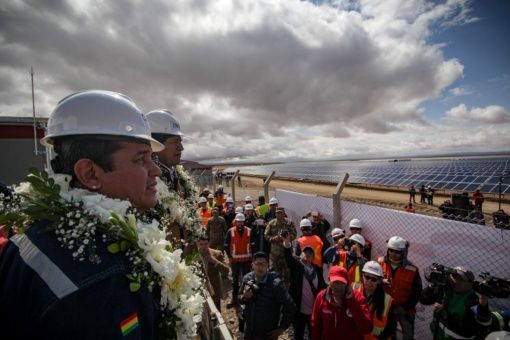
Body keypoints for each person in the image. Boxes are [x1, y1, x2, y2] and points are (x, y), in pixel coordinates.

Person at [0, 90, 169, 338]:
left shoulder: (36, 234)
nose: (156, 171)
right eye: (141, 159)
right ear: (89, 173)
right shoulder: (101, 285)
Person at [420, 266, 490, 340]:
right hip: (437, 336)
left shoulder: (472, 300)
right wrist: (432, 285)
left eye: (461, 279)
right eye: (454, 277)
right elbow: (424, 300)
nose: (456, 281)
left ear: (470, 284)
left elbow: (468, 330)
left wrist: (445, 313)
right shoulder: (446, 288)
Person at [238, 252, 296, 340]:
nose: (260, 267)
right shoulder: (247, 279)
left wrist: (281, 328)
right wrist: (244, 297)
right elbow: (239, 299)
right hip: (250, 330)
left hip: (267, 334)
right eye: (257, 264)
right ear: (252, 265)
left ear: (268, 265)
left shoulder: (275, 284)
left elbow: (290, 307)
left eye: (263, 264)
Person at [311, 265, 373, 339]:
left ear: (347, 283)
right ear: (329, 280)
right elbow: (315, 325)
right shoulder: (321, 296)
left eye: (341, 283)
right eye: (335, 282)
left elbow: (367, 328)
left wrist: (351, 301)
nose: (338, 287)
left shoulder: (358, 298)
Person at [378, 236, 422, 340]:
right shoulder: (380, 262)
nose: (393, 254)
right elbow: (373, 280)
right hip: (387, 307)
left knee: (408, 334)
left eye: (397, 252)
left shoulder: (412, 269)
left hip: (405, 310)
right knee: (390, 333)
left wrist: (405, 307)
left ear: (403, 252)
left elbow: (417, 292)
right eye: (391, 250)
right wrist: (381, 281)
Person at [283, 236, 326, 340]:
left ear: (313, 257)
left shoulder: (318, 270)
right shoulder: (297, 266)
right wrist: (287, 243)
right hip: (299, 310)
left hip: (314, 310)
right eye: (305, 252)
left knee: (314, 335)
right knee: (298, 335)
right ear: (300, 255)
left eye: (310, 253)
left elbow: (322, 287)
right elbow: (288, 257)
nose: (307, 254)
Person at [357, 261, 397, 340]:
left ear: (379, 281)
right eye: (367, 277)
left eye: (374, 279)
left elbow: (391, 326)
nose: (369, 281)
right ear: (362, 276)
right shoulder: (353, 288)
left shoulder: (388, 300)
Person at [224, 213, 252, 308]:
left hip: (247, 260)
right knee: (235, 281)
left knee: (247, 280)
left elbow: (253, 245)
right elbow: (226, 246)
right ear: (235, 222)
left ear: (244, 222)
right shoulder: (230, 231)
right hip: (235, 261)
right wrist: (230, 257)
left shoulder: (249, 231)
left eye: (241, 221)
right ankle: (234, 299)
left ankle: (247, 299)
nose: (240, 223)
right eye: (238, 221)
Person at [264, 207, 297, 288]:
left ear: (283, 213)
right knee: (274, 273)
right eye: (277, 213)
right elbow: (266, 235)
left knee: (287, 273)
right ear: (275, 214)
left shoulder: (289, 223)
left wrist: (287, 239)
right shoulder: (271, 223)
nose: (279, 214)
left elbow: (294, 234)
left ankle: (287, 291)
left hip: (286, 253)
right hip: (275, 254)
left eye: (281, 213)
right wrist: (274, 238)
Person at [196, 234, 230, 311]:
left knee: (217, 313)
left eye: (205, 244)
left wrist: (214, 261)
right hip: (200, 290)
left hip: (215, 288)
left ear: (209, 243)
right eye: (201, 244)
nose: (203, 246)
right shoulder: (194, 255)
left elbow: (226, 271)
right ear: (197, 244)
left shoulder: (217, 253)